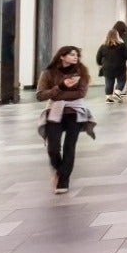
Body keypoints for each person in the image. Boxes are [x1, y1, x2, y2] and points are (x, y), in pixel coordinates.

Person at [37, 46, 94, 193]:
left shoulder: (81, 72)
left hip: (74, 112)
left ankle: (63, 181)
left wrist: (56, 94)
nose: (75, 57)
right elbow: (40, 95)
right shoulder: (48, 73)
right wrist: (61, 86)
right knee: (53, 148)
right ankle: (59, 170)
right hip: (54, 112)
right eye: (71, 54)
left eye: (77, 55)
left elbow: (80, 93)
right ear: (62, 56)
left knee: (70, 146)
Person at [96, 27, 127, 102]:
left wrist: (100, 64)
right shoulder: (122, 45)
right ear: (117, 36)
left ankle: (109, 98)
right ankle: (117, 92)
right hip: (120, 67)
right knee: (122, 80)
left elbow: (98, 57)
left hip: (107, 68)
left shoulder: (103, 46)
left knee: (109, 82)